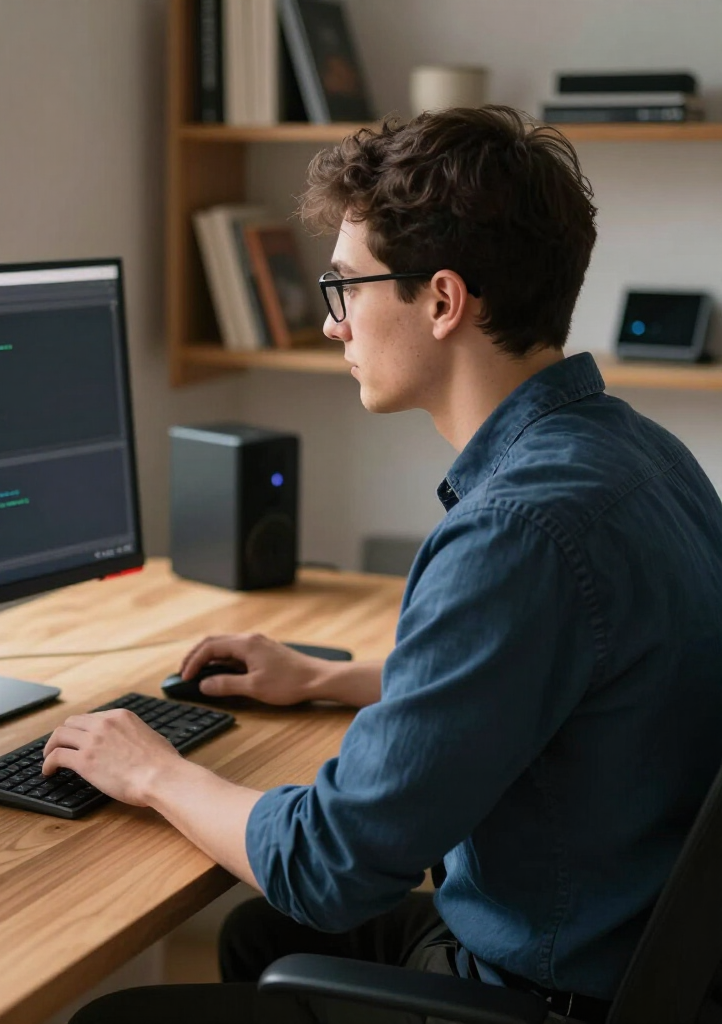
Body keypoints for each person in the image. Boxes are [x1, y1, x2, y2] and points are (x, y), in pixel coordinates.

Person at [45, 106, 722, 1024]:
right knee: (255, 940)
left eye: (347, 289)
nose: (334, 326)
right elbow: (573, 677)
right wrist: (335, 677)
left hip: (541, 991)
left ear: (442, 301)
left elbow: (328, 868)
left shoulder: (515, 531)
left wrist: (154, 771)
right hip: (624, 948)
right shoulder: (637, 453)